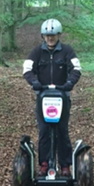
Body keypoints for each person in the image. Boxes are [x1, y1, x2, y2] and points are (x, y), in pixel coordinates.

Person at [22, 19, 82, 176]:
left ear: (59, 35)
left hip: (62, 96)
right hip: (43, 97)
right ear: (43, 36)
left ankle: (65, 165)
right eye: (47, 35)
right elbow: (27, 69)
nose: (50, 38)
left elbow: (76, 68)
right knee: (44, 131)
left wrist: (70, 82)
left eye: (53, 35)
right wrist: (34, 82)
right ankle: (44, 163)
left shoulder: (67, 51)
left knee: (62, 131)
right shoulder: (36, 52)